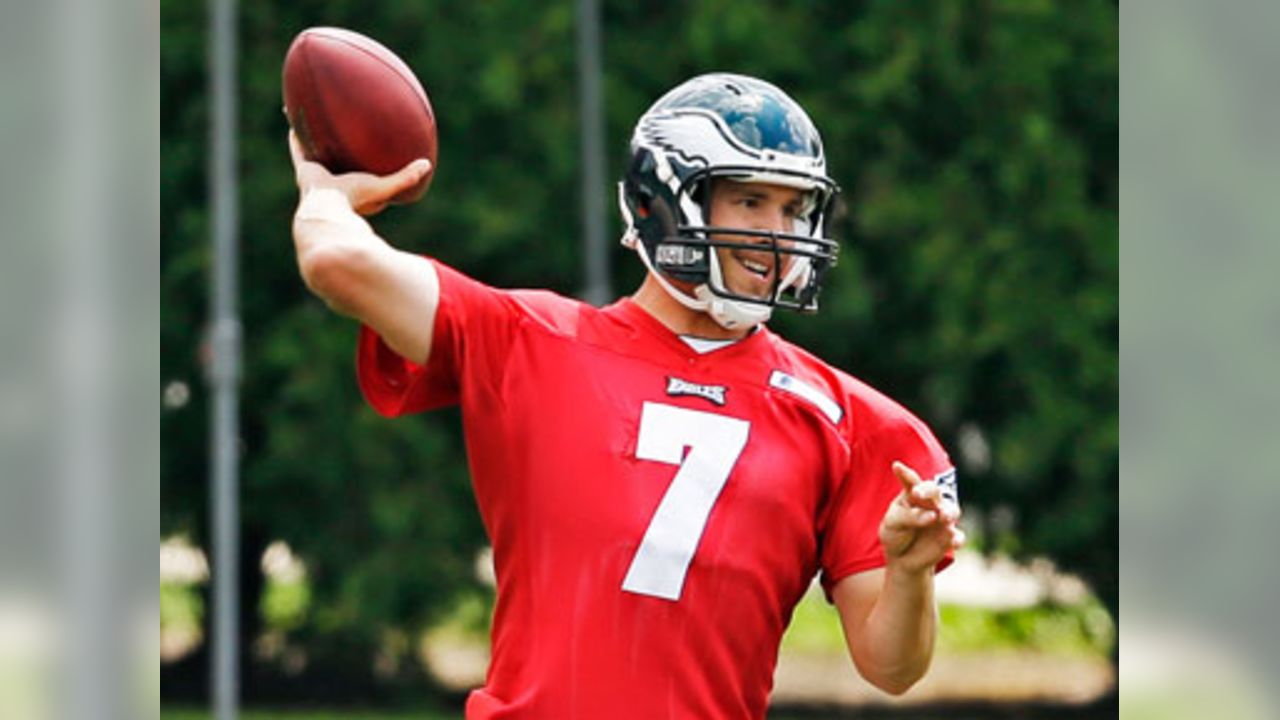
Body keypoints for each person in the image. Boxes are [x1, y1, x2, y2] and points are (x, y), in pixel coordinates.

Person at [289, 72, 963, 719]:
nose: (776, 234)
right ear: (662, 202)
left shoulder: (847, 419)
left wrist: (908, 574)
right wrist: (325, 193)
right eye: (750, 201)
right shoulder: (531, 340)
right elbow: (336, 262)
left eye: (792, 208)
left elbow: (892, 668)